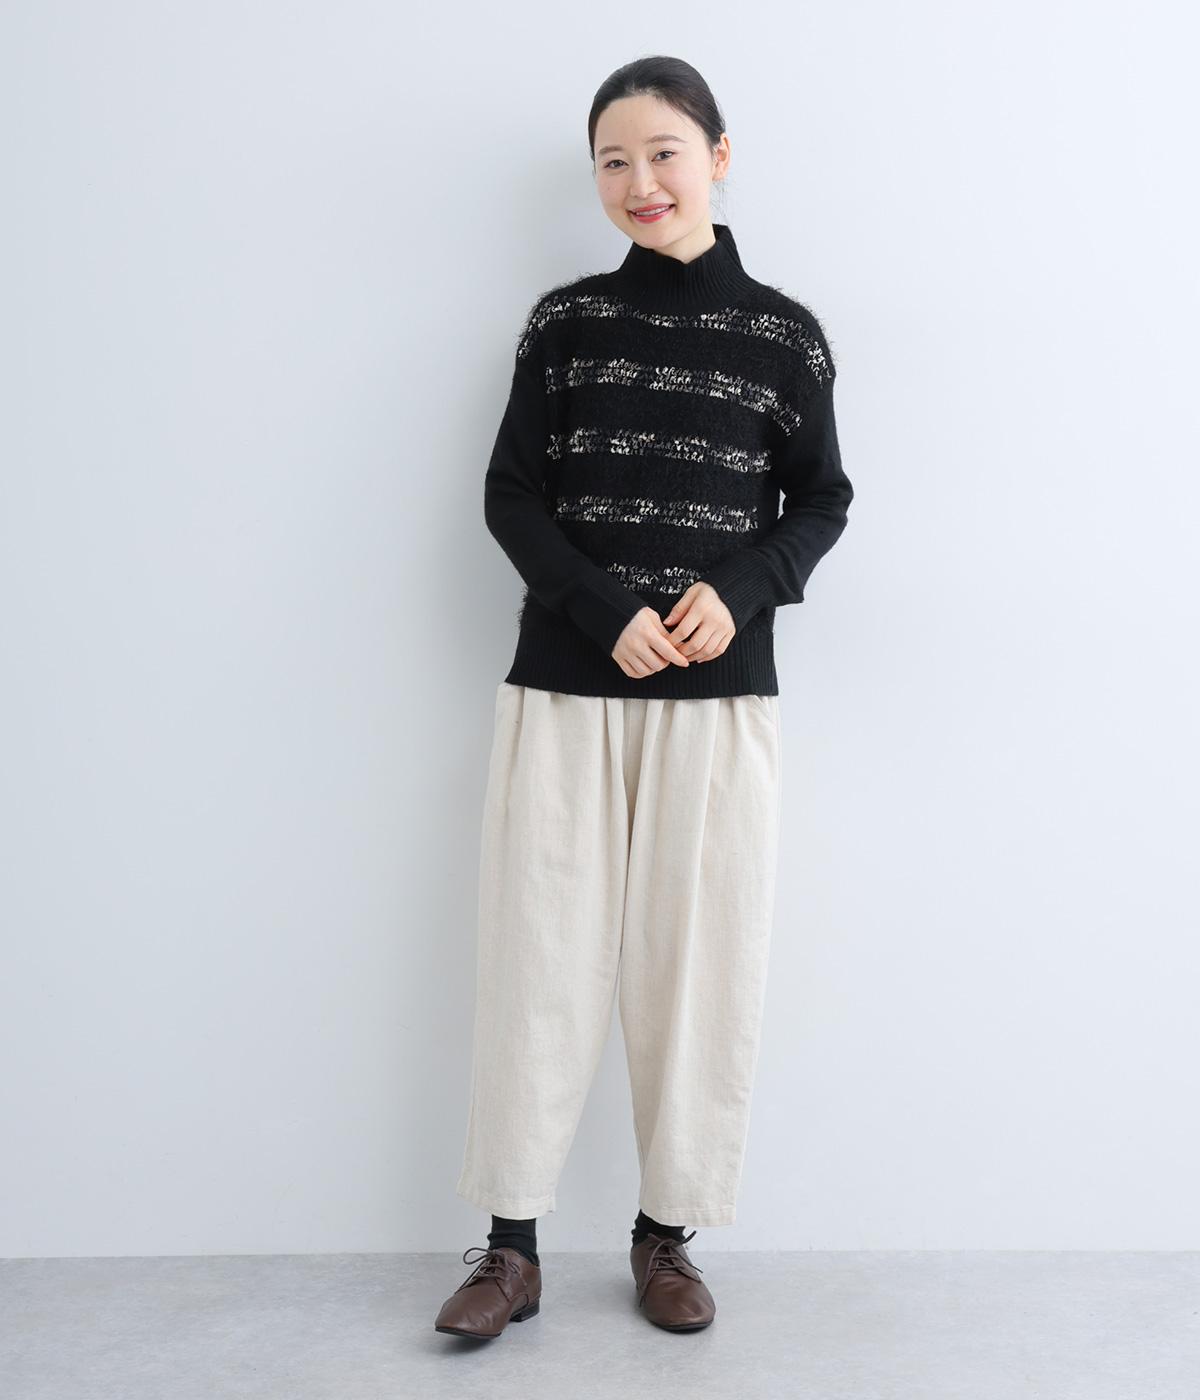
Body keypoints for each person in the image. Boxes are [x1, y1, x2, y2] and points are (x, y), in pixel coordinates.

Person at [434, 54, 854, 1340]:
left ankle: (666, 1233)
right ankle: (512, 1246)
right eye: (612, 161)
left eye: (663, 152)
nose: (639, 181)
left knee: (698, 963)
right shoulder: (563, 325)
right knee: (539, 956)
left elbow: (822, 500)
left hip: (720, 705)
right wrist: (599, 608)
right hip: (566, 689)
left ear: (718, 157)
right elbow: (511, 494)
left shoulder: (784, 336)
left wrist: (745, 585)